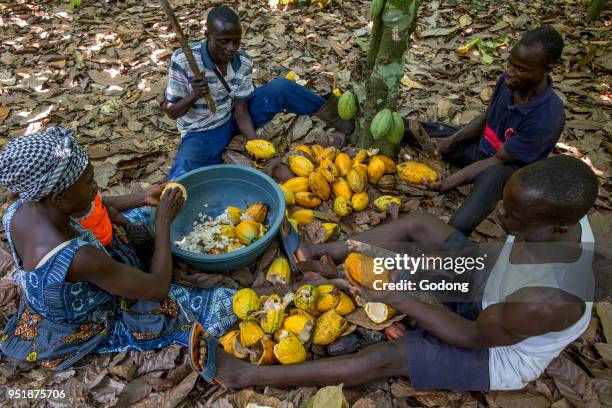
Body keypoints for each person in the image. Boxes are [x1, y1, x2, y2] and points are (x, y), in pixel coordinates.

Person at [191, 155, 598, 391]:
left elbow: (472, 335)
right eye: (504, 202)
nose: (499, 214)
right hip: (491, 286)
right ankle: (316, 250)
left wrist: (393, 294)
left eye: (512, 214)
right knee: (419, 224)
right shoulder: (559, 217)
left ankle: (248, 374)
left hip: (496, 349)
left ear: (559, 229)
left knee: (387, 356)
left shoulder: (549, 298)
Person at [0, 127, 328, 371]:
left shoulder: (23, 207)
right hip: (93, 318)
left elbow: (95, 204)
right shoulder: (78, 257)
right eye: (88, 182)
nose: (95, 186)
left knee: (142, 215)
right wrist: (163, 225)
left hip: (91, 271)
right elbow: (156, 290)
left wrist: (142, 198)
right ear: (57, 197)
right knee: (223, 306)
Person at [411, 26, 566, 236]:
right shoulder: (508, 82)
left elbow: (496, 161)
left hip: (507, 171)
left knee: (492, 176)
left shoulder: (546, 117)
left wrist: (446, 184)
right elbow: (486, 118)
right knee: (431, 132)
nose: (510, 73)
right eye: (510, 64)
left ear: (546, 69)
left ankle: (449, 238)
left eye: (521, 69)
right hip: (482, 149)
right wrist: (451, 140)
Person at [163, 6, 350, 179]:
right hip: (203, 129)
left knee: (281, 88)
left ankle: (339, 116)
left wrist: (256, 146)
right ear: (207, 36)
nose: (231, 48)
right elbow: (172, 112)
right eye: (224, 42)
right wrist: (194, 95)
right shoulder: (184, 60)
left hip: (234, 117)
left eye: (236, 41)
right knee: (184, 173)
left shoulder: (242, 60)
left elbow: (241, 111)